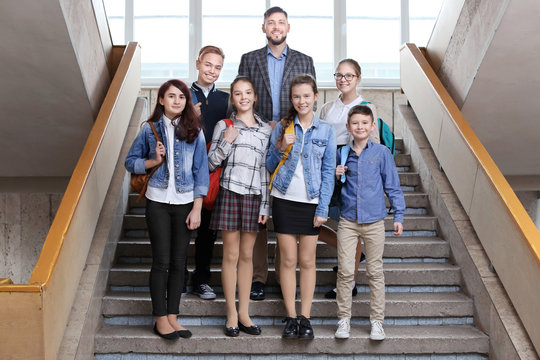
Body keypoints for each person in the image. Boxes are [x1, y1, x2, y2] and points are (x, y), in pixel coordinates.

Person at [238, 6, 316, 301]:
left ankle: (293, 271)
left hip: (290, 137)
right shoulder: (249, 59)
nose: (276, 27)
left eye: (281, 22)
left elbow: (308, 100)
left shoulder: (304, 60)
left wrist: (285, 127)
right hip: (256, 135)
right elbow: (242, 93)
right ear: (264, 28)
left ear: (288, 27)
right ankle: (258, 276)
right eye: (271, 23)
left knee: (288, 203)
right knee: (257, 203)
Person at [125, 79, 209, 340]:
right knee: (161, 262)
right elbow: (130, 162)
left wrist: (197, 209)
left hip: (184, 203)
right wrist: (153, 160)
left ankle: (173, 316)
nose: (177, 101)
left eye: (181, 97)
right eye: (171, 96)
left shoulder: (195, 131)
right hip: (158, 201)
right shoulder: (149, 130)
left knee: (179, 262)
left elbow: (201, 172)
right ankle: (160, 318)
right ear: (161, 100)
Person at [266, 74, 336, 339]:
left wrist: (322, 208)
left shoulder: (326, 131)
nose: (302, 101)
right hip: (284, 199)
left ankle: (305, 318)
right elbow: (270, 166)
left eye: (307, 96)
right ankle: (291, 318)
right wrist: (279, 146)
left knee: (307, 261)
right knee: (288, 260)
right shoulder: (282, 127)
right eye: (297, 96)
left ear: (315, 96)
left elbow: (329, 172)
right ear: (291, 99)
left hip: (312, 203)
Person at [333, 105, 405, 341]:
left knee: (375, 272)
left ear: (372, 126)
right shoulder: (342, 153)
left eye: (365, 123)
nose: (360, 127)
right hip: (348, 221)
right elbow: (332, 188)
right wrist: (336, 175)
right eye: (355, 123)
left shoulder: (382, 153)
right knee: (345, 272)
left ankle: (377, 322)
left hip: (374, 221)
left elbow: (392, 186)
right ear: (348, 127)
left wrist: (399, 216)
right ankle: (343, 320)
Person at [207, 76, 272, 337]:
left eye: (248, 92)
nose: (243, 97)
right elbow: (211, 163)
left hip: (254, 196)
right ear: (232, 98)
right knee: (230, 256)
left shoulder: (266, 130)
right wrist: (227, 140)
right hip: (229, 193)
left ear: (255, 96)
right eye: (237, 93)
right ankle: (231, 314)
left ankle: (245, 313)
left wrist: (265, 206)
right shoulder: (225, 125)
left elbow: (266, 171)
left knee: (247, 257)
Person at [318, 59, 379, 299]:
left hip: (351, 170)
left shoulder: (366, 106)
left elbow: (370, 144)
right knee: (313, 222)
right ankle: (353, 250)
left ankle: (349, 283)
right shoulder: (326, 108)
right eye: (339, 75)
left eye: (349, 75)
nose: (343, 80)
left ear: (358, 78)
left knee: (349, 226)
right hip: (328, 167)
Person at [188, 45, 230, 300]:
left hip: (212, 172)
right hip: (183, 172)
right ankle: (178, 275)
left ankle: (201, 279)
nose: (212, 71)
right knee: (181, 228)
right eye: (208, 65)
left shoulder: (225, 100)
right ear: (198, 63)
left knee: (207, 231)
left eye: (217, 67)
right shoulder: (182, 94)